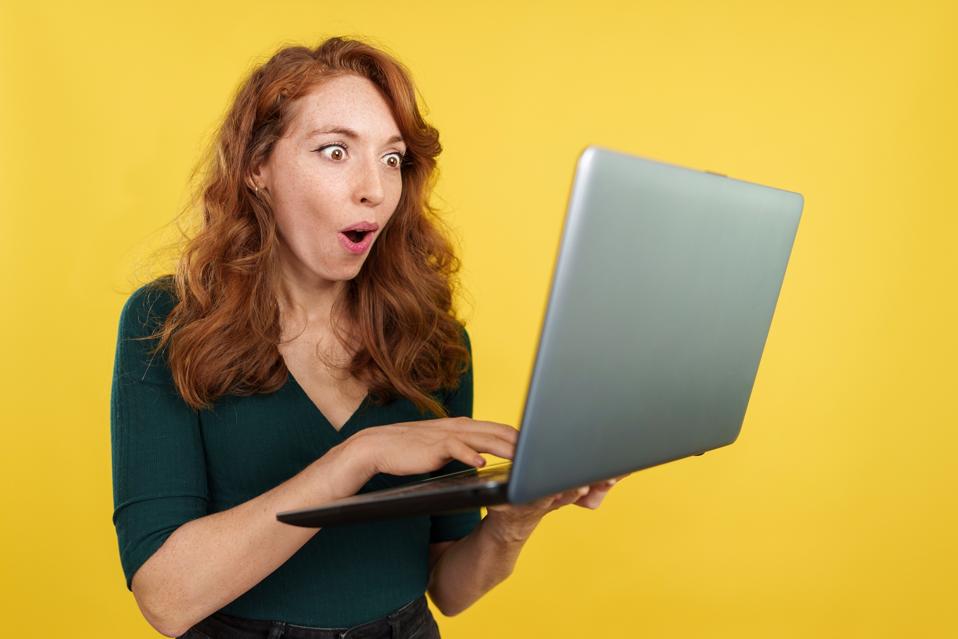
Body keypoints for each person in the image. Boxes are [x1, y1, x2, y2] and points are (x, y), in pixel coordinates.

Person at [110, 36, 624, 639]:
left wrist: (514, 523)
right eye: (334, 152)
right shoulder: (167, 321)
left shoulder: (434, 340)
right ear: (257, 167)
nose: (374, 191)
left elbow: (448, 589)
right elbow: (166, 600)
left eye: (391, 159)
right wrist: (359, 457)